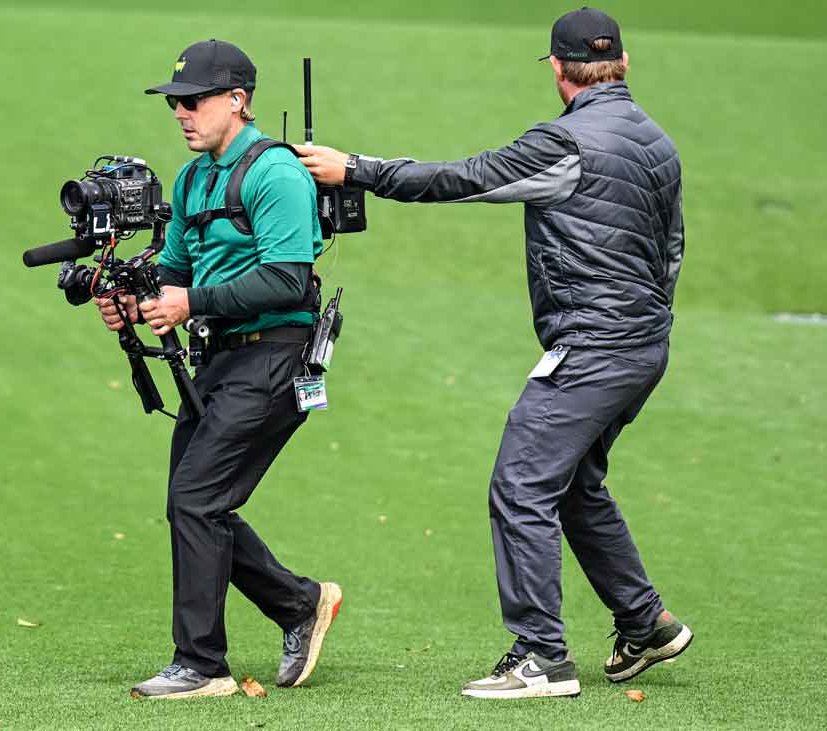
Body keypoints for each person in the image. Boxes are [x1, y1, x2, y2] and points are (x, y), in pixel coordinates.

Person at [295, 7, 691, 699]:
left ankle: (542, 656)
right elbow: (673, 249)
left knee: (521, 481)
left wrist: (357, 170)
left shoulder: (563, 143)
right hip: (644, 343)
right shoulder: (658, 141)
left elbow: (469, 177)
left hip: (596, 347)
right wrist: (640, 328)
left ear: (559, 70)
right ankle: (645, 622)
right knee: (572, 482)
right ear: (622, 64)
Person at [96, 38, 341, 700]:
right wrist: (134, 303)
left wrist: (191, 301)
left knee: (197, 497)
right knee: (196, 501)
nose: (180, 112)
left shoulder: (276, 174)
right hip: (223, 357)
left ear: (237, 101)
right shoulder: (192, 178)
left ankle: (200, 663)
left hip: (279, 352)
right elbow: (173, 272)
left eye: (193, 100)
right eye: (175, 102)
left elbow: (288, 281)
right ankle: (300, 603)